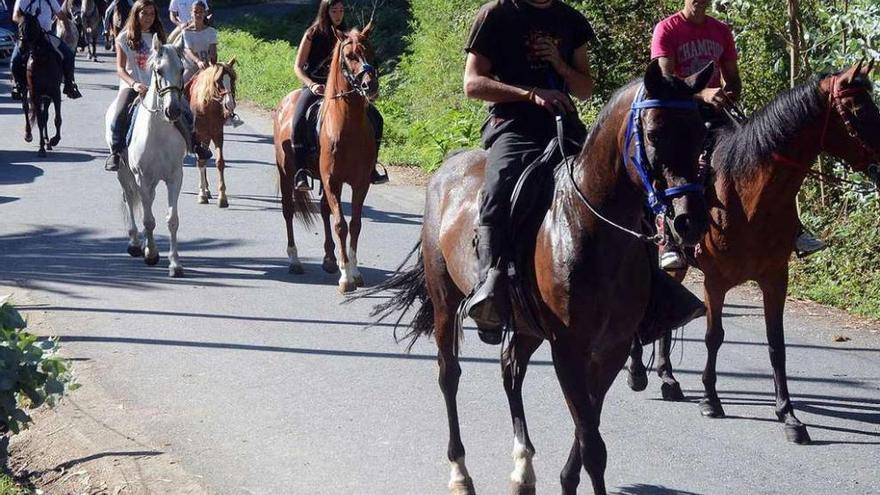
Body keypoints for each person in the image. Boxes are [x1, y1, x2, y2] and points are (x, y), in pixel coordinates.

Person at [651, 0, 825, 268]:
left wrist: (725, 94)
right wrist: (703, 94)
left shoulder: (721, 30)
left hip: (719, 113)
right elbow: (666, 85)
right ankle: (669, 239)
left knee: (765, 157)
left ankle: (793, 228)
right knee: (677, 164)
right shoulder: (667, 29)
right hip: (681, 114)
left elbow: (733, 79)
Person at [461, 0, 595, 344]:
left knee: (613, 183)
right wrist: (529, 94)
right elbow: (473, 83)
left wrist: (560, 65)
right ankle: (488, 287)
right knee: (498, 189)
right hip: (513, 124)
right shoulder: (496, 15)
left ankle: (649, 287)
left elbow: (585, 88)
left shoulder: (570, 19)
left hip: (564, 123)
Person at [291, 0, 387, 191]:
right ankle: (301, 170)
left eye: (341, 10)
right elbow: (298, 66)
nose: (338, 14)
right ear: (326, 11)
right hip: (316, 88)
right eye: (334, 10)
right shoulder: (312, 33)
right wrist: (311, 85)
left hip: (343, 90)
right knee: (298, 120)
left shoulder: (348, 37)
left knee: (376, 118)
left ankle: (371, 167)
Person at [105, 0, 211, 172]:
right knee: (120, 112)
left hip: (159, 85)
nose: (148, 18)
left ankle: (195, 144)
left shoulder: (160, 36)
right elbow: (120, 69)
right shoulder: (124, 38)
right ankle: (116, 152)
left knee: (184, 109)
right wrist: (135, 84)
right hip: (133, 84)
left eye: (151, 14)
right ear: (136, 14)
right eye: (144, 13)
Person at [9, 0, 82, 100]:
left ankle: (69, 85)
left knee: (68, 54)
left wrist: (68, 32)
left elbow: (61, 15)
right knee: (15, 61)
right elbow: (15, 16)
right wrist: (27, 21)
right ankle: (18, 85)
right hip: (28, 36)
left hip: (46, 35)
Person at [180, 0, 215, 84]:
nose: (198, 14)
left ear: (205, 13)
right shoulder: (186, 32)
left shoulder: (211, 31)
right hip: (190, 68)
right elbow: (188, 50)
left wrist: (212, 58)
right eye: (195, 12)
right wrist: (198, 61)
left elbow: (213, 48)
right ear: (191, 13)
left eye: (201, 12)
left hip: (207, 67)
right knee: (180, 87)